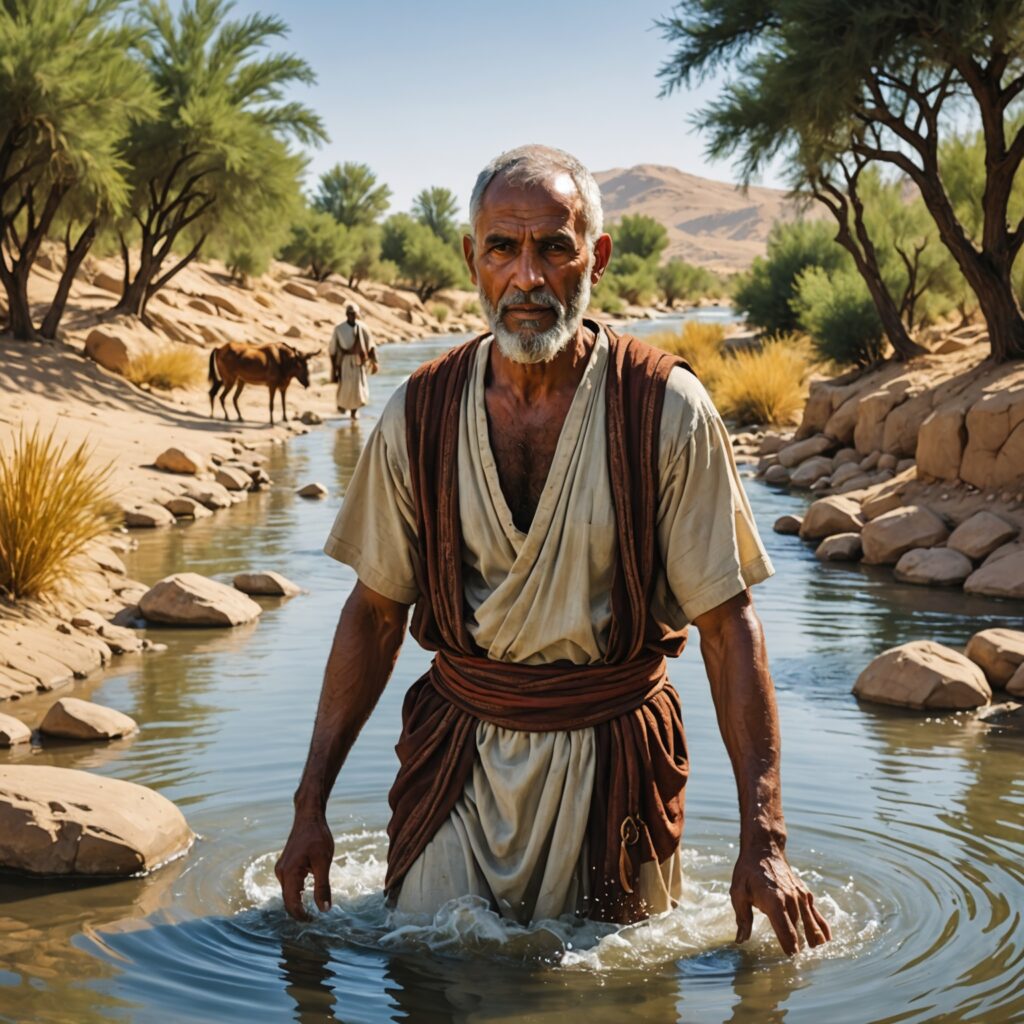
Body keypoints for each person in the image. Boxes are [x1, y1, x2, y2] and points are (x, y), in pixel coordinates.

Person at [277, 145, 832, 955]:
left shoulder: (663, 409)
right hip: (457, 761)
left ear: (596, 258)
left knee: (619, 987)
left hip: (617, 768)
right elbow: (373, 613)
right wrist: (310, 807)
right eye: (502, 248)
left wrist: (765, 839)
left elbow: (727, 625)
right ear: (471, 258)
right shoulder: (420, 413)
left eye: (554, 248)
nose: (527, 276)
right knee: (427, 967)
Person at [328, 302, 377, 420]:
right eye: (350, 314)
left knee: (357, 387)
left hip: (359, 361)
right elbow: (333, 349)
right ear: (346, 314)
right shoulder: (339, 329)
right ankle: (343, 406)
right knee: (345, 386)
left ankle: (353, 413)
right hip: (345, 362)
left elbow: (370, 345)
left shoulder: (363, 327)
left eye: (354, 314)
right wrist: (334, 368)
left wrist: (374, 362)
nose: (352, 316)